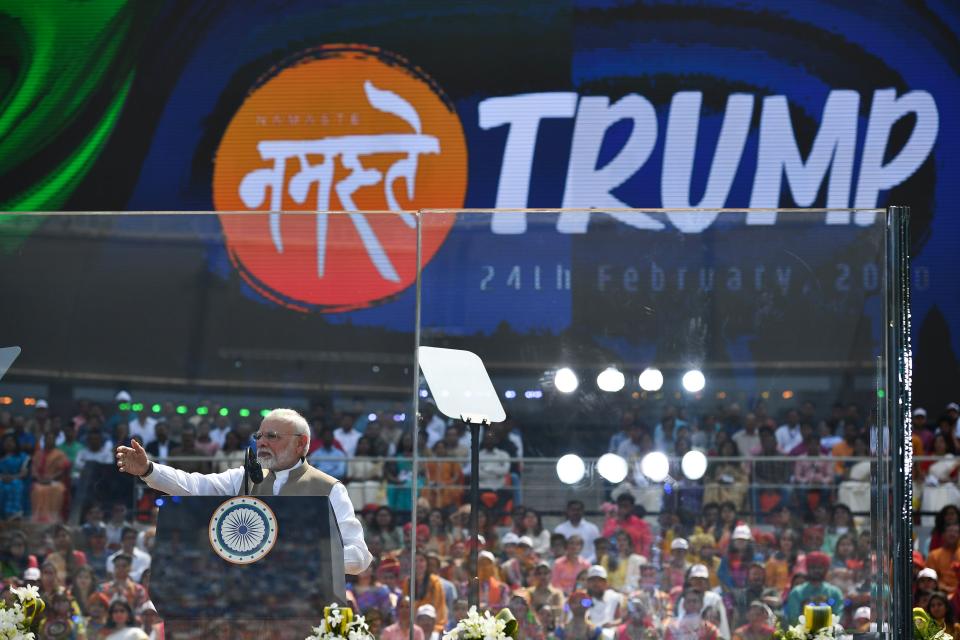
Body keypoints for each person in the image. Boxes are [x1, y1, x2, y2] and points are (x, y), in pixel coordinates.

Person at [115, 408, 372, 573]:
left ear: (301, 443)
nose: (261, 442)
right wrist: (149, 470)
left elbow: (359, 556)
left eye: (272, 436)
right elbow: (194, 485)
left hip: (303, 609)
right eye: (259, 435)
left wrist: (308, 557)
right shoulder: (246, 479)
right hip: (247, 607)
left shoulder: (328, 489)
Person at [783, 551, 844, 621]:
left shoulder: (834, 593)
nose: (816, 571)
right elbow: (793, 618)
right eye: (813, 567)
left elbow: (837, 617)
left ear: (825, 569)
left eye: (820, 568)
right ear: (807, 569)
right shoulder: (797, 592)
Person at [926, 523, 960, 594]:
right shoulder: (934, 555)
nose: (952, 534)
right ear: (943, 535)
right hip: (940, 593)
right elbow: (930, 579)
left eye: (956, 532)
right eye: (950, 531)